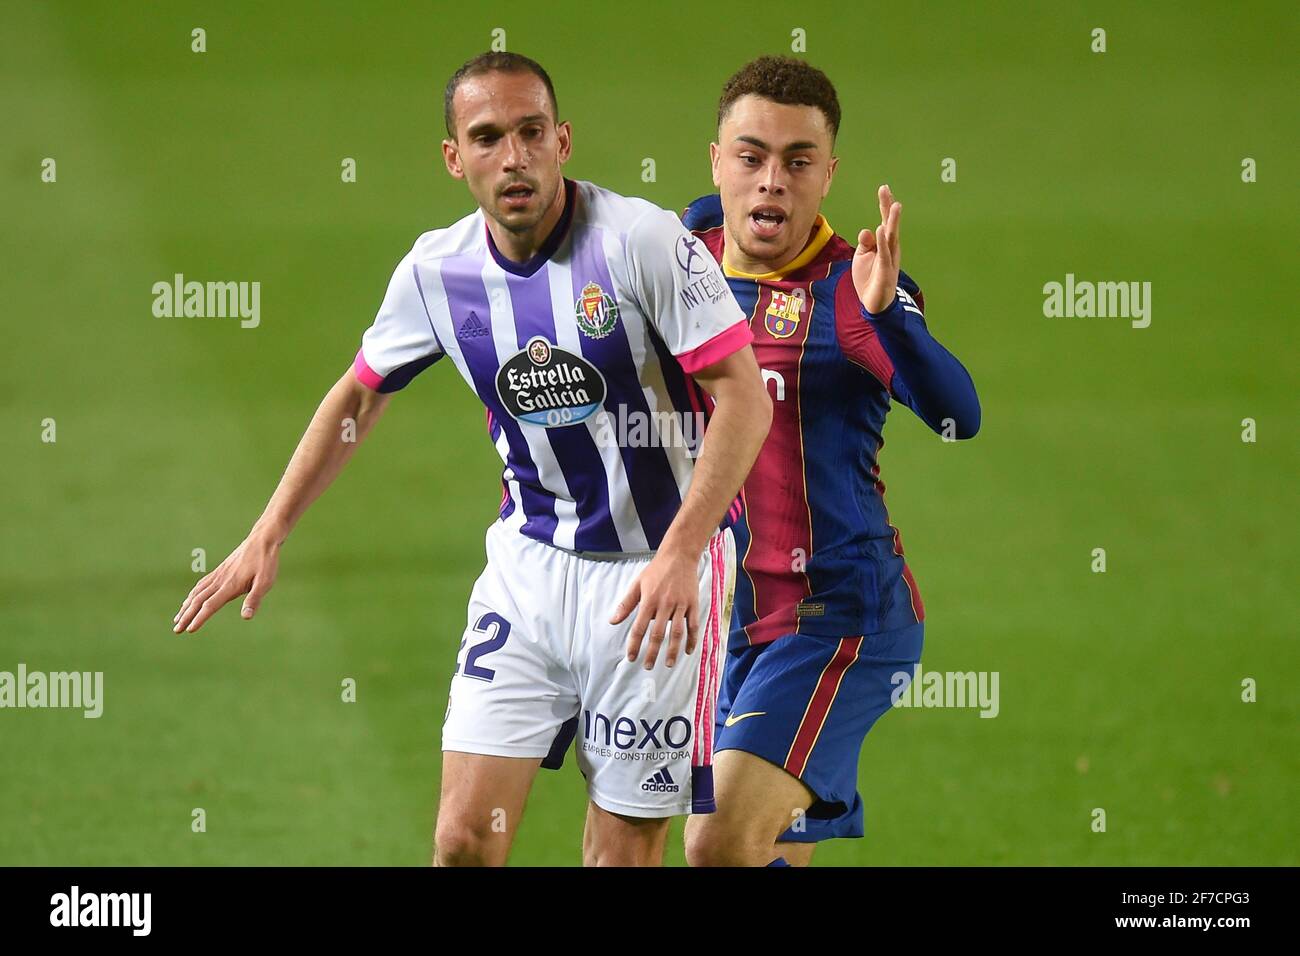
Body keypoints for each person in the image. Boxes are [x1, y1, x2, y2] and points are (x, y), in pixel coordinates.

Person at [172, 51, 771, 867]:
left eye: (531, 133)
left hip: (654, 583)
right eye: (487, 138)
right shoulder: (437, 272)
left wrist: (682, 551)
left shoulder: (641, 243)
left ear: (563, 140)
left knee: (620, 854)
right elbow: (358, 394)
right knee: (460, 843)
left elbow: (745, 397)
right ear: (455, 158)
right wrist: (269, 529)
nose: (514, 157)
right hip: (527, 571)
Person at [679, 56, 980, 867]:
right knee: (769, 850)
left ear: (828, 174)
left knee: (714, 842)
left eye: (798, 162)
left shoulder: (855, 289)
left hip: (839, 618)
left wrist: (894, 320)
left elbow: (960, 417)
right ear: (717, 161)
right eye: (752, 157)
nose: (772, 182)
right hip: (731, 621)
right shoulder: (688, 253)